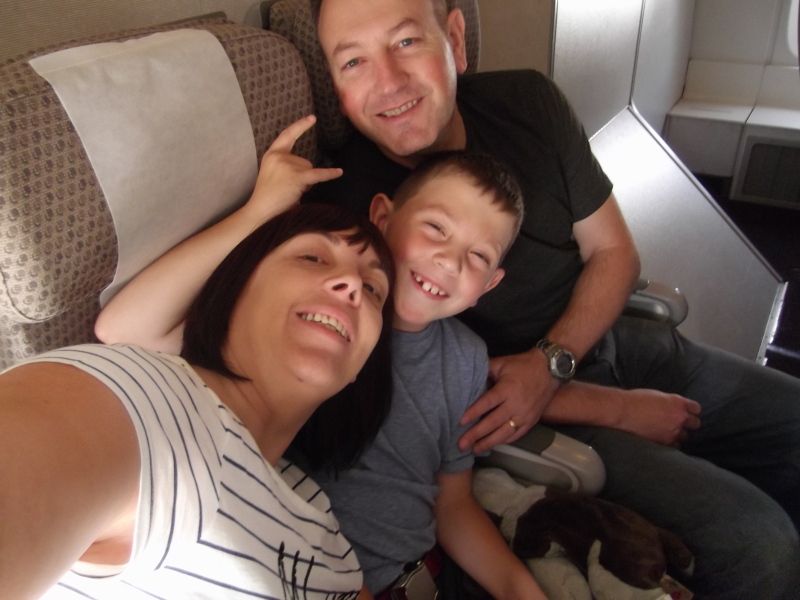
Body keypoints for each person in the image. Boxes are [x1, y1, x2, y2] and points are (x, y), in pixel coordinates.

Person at [305, 0, 800, 597]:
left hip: (619, 340)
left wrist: (551, 361)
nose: (388, 81)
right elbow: (431, 383)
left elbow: (615, 254)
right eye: (353, 61)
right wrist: (614, 408)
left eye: (406, 42)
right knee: (762, 548)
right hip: (547, 415)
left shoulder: (528, 102)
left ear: (455, 39)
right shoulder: (351, 214)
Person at [96, 122, 546, 596]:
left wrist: (518, 588)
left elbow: (452, 502)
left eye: (478, 257)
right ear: (382, 217)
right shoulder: (299, 336)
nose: (450, 261)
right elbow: (125, 331)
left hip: (428, 574)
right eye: (436, 228)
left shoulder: (465, 358)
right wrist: (259, 212)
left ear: (490, 284)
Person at [0, 199, 396, 599]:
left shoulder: (314, 509)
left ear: (360, 367)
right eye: (312, 257)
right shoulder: (149, 405)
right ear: (236, 284)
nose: (352, 285)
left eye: (373, 289)